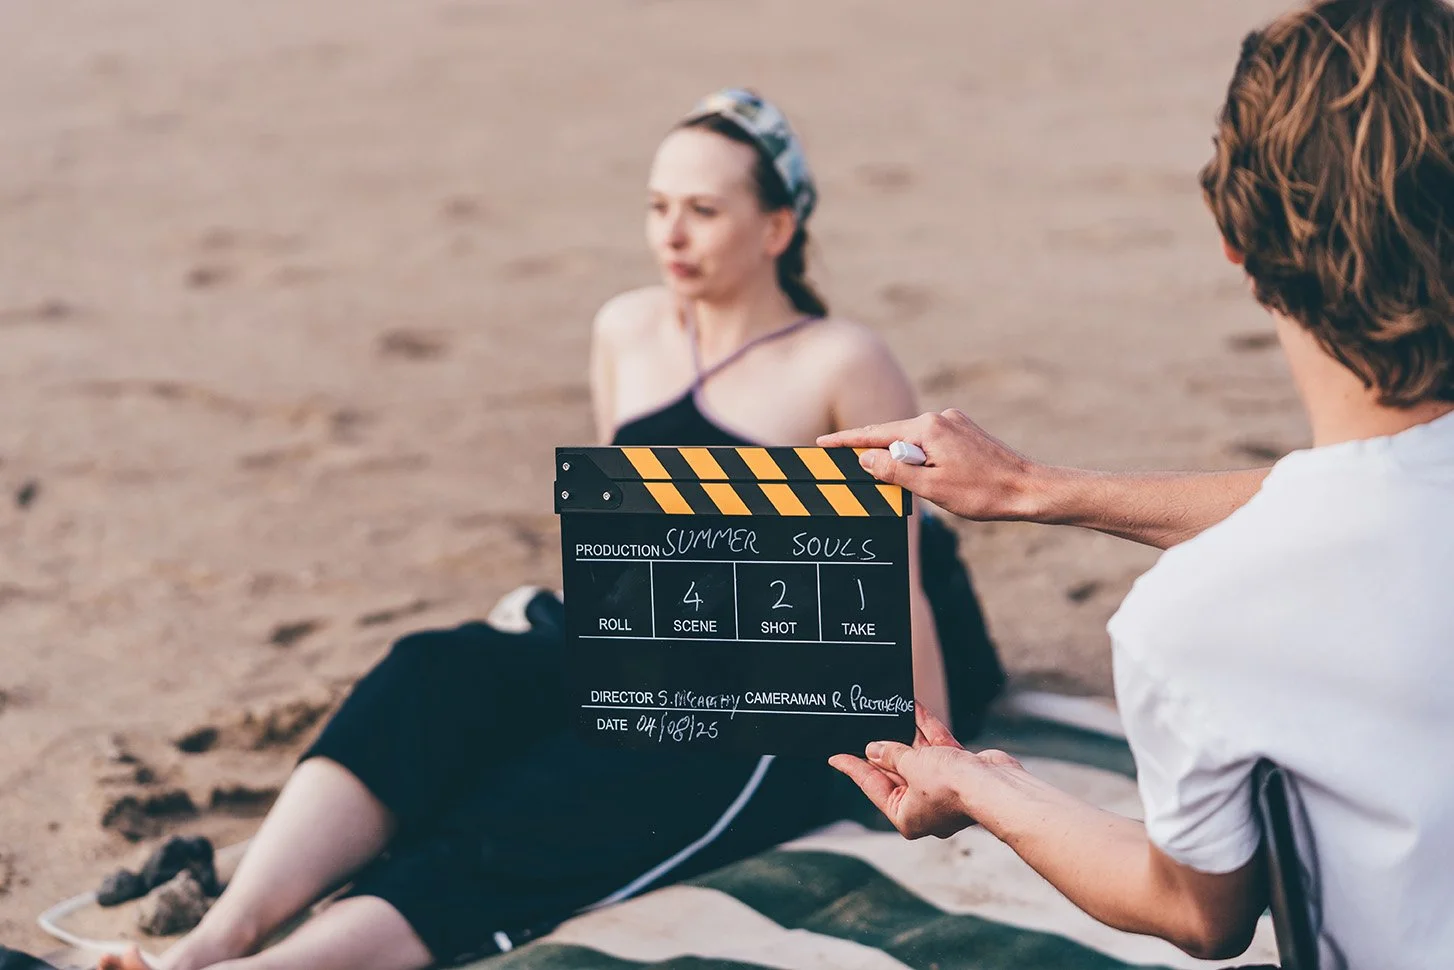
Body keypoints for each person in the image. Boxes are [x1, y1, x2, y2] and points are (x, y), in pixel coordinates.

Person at [98, 89, 1004, 970]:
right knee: (433, 673)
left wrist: (934, 764)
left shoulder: (841, 361)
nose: (671, 235)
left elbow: (896, 584)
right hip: (659, 630)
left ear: (777, 228)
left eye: (702, 211)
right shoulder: (627, 329)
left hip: (787, 683)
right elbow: (628, 527)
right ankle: (212, 942)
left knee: (565, 800)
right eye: (657, 207)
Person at [825, 2, 1454, 966]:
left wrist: (978, 784)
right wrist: (1031, 487)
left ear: (1235, 241)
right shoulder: (1312, 548)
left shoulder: (1199, 620)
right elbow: (1378, 501)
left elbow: (1199, 912)